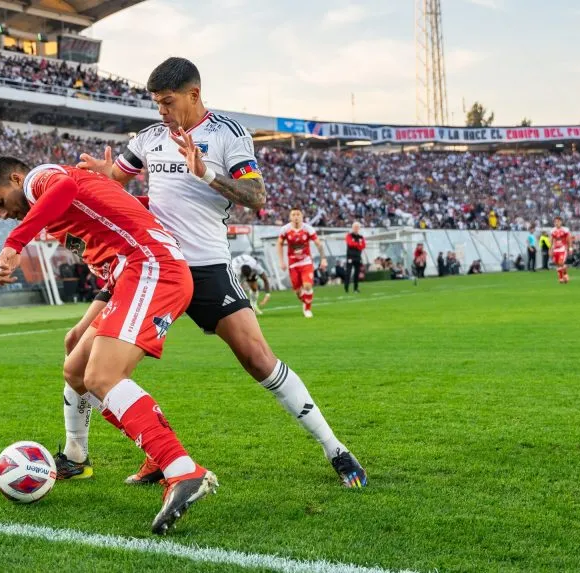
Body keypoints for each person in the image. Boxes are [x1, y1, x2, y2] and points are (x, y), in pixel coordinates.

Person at [68, 57, 366, 489]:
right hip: (152, 268)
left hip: (206, 266)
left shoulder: (226, 134)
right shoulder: (150, 137)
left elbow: (257, 196)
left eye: (167, 102)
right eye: (156, 103)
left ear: (194, 94)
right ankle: (138, 454)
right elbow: (118, 177)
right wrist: (105, 175)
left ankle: (334, 447)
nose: (161, 112)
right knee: (90, 363)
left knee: (258, 359)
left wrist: (205, 172)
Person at [0, 157, 217, 535]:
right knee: (76, 368)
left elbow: (66, 188)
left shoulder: (41, 179)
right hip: (131, 274)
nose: (5, 214)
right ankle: (76, 458)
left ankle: (182, 469)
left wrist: (15, 244)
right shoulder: (54, 211)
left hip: (151, 267)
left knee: (102, 376)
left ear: (15, 178)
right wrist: (86, 322)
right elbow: (111, 252)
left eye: (0, 202)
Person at [276, 209, 326, 318]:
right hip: (293, 264)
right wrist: (281, 261)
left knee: (307, 285)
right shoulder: (285, 229)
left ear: (302, 216)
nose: (296, 217)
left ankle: (307, 309)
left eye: (298, 214)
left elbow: (318, 244)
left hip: (306, 262)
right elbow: (279, 244)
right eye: (293, 214)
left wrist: (323, 258)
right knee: (298, 292)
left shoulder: (308, 229)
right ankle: (305, 301)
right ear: (290, 217)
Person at [344, 222, 366, 293]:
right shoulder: (349, 235)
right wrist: (358, 245)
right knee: (348, 272)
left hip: (357, 257)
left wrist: (356, 245)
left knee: (357, 273)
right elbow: (350, 243)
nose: (356, 228)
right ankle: (346, 287)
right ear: (352, 228)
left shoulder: (361, 237)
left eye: (357, 227)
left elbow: (363, 246)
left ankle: (355, 288)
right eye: (355, 227)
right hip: (350, 257)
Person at [550, 216, 572, 284]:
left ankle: (564, 275)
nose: (557, 223)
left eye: (558, 222)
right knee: (557, 264)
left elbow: (569, 239)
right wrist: (550, 249)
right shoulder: (552, 231)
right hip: (556, 249)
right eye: (555, 222)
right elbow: (551, 240)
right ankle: (561, 278)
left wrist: (570, 248)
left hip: (563, 248)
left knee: (561, 263)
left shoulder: (565, 230)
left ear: (561, 222)